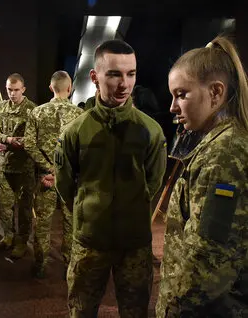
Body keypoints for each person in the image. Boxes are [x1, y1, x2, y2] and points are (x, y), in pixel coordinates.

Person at [54, 39, 167, 317]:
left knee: (135, 311)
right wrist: (88, 212)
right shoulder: (75, 131)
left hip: (134, 244)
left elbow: (153, 182)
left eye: (131, 74)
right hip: (90, 243)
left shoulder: (150, 131)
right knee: (81, 310)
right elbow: (65, 183)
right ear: (95, 76)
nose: (124, 84)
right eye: (114, 74)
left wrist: (130, 209)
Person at [156, 36, 248, 317]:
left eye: (181, 94)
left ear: (216, 93)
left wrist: (171, 308)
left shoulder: (225, 153)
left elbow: (209, 259)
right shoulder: (215, 143)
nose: (173, 107)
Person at [23, 70, 83, 278]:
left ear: (51, 88)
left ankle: (40, 266)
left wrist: (48, 168)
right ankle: (70, 264)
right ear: (70, 88)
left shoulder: (37, 112)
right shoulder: (79, 115)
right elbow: (82, 150)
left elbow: (29, 144)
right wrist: (62, 171)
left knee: (42, 222)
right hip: (69, 180)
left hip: (44, 178)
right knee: (71, 222)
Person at [0, 73, 37, 258]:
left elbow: (33, 139)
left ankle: (22, 241)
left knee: (25, 208)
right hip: (5, 166)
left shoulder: (32, 110)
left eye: (16, 90)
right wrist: (7, 138)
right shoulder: (1, 107)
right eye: (9, 89)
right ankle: (8, 237)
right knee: (5, 206)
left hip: (24, 168)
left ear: (23, 89)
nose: (12, 93)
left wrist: (9, 143)